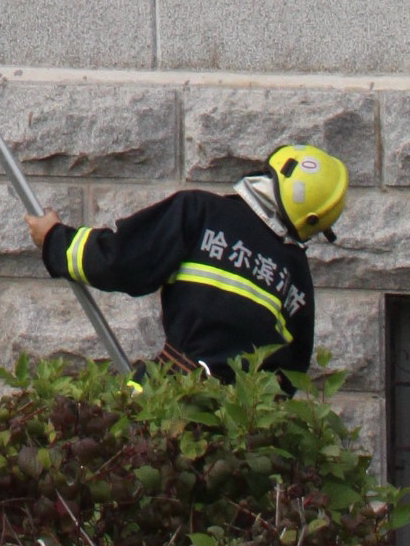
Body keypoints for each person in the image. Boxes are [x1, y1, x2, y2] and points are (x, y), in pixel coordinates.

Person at [25, 139, 347, 380]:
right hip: (244, 431)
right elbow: (292, 371)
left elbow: (122, 261)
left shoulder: (200, 214)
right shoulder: (296, 276)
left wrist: (54, 239)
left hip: (172, 398)